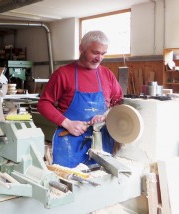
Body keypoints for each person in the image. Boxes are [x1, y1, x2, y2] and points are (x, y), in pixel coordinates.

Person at [37, 30, 123, 168]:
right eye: (95, 52)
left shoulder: (107, 74)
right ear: (81, 49)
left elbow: (118, 102)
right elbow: (43, 104)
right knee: (69, 185)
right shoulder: (63, 74)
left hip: (102, 143)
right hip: (70, 143)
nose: (99, 58)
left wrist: (105, 115)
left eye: (103, 54)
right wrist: (68, 124)